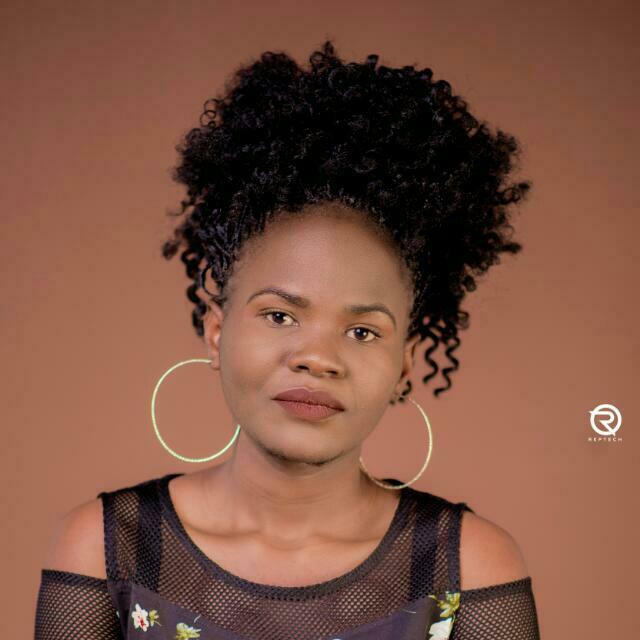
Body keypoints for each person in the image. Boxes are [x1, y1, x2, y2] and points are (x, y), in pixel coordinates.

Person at [34, 40, 540, 639]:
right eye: (280, 316)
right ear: (216, 329)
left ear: (405, 364)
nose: (318, 358)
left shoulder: (472, 566)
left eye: (362, 330)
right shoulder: (103, 549)